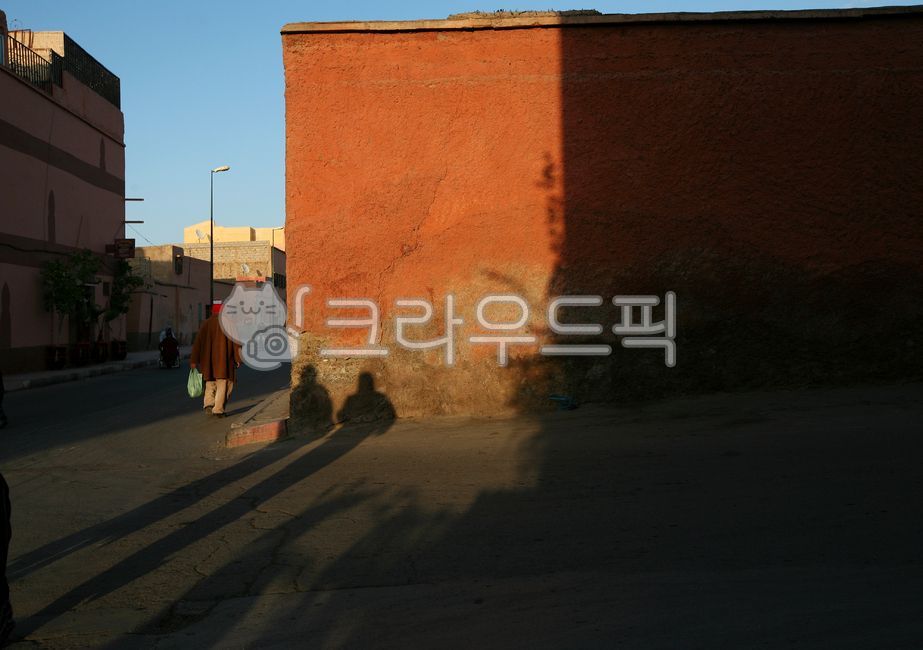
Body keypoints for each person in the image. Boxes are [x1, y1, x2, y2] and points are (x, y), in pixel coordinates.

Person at [190, 304, 241, 417]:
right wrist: (238, 359)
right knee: (223, 383)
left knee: (210, 382)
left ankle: (208, 403)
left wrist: (194, 361)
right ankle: (218, 409)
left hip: (208, 362)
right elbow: (236, 343)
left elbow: (197, 344)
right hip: (224, 362)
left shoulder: (205, 324)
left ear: (212, 312)